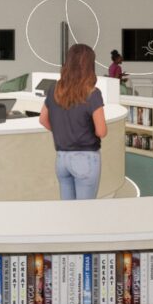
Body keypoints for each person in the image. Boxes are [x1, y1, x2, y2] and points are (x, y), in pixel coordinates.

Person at [39, 44, 108, 200]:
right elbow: (101, 131)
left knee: (68, 212)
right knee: (85, 214)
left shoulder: (54, 89)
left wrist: (62, 131)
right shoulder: (93, 93)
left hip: (62, 159)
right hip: (85, 159)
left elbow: (43, 119)